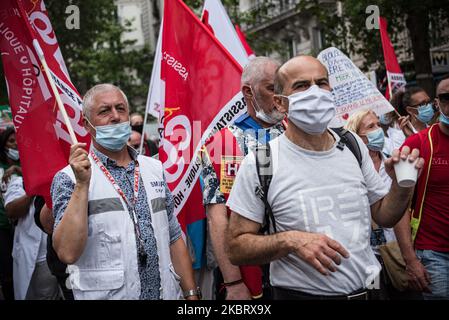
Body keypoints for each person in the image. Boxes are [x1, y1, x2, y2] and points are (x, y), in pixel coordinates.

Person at [226, 55, 424, 300]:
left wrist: (402, 185)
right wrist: (291, 240)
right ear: (279, 103)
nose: (315, 93)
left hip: (371, 291)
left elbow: (384, 215)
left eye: (321, 83)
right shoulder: (261, 161)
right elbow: (235, 247)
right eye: (301, 86)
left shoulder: (352, 145)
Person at [51, 84, 198, 300]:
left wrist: (192, 294)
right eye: (104, 111)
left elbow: (173, 237)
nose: (115, 116)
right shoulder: (69, 178)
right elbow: (67, 252)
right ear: (86, 124)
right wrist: (82, 185)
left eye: (121, 109)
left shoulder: (154, 169)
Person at [201, 56, 284, 300]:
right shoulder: (221, 145)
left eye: (283, 89)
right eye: (272, 89)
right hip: (251, 271)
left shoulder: (295, 131)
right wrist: (234, 282)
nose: (280, 98)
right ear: (248, 91)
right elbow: (218, 219)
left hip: (299, 267)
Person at [394, 76, 449, 299]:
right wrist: (410, 260)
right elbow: (398, 206)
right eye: (447, 98)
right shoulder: (418, 144)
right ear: (437, 103)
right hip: (435, 256)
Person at [4, 175, 60, 300]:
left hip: (47, 257)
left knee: (48, 295)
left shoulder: (57, 179)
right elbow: (11, 211)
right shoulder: (19, 182)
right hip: (25, 252)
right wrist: (33, 191)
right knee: (26, 294)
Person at [0, 126, 20, 300]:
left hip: (22, 228)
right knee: (8, 273)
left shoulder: (25, 165)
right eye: (11, 141)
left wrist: (17, 170)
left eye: (18, 141)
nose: (16, 145)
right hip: (3, 228)